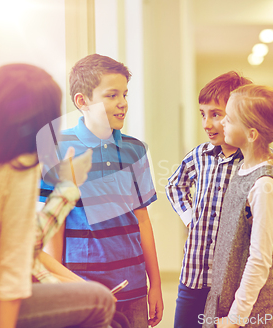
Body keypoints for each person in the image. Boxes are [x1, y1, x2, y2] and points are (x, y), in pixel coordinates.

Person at [165, 72, 273, 328]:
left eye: (218, 115)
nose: (207, 124)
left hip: (235, 284)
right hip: (195, 275)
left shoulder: (264, 165)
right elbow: (175, 184)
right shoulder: (201, 154)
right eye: (203, 114)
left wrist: (264, 230)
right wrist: (191, 220)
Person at [40, 54, 163, 328]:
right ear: (82, 101)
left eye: (124, 94)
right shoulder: (58, 148)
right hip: (82, 290)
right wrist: (61, 287)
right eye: (111, 95)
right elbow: (52, 226)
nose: (123, 104)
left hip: (132, 289)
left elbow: (142, 219)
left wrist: (154, 284)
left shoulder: (135, 150)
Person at [0, 63, 115, 328]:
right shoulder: (20, 165)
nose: (121, 104)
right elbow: (14, 263)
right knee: (100, 300)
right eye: (111, 95)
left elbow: (24, 242)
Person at [202, 84, 273, 327]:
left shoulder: (264, 184)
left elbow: (259, 259)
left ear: (251, 133)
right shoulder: (242, 168)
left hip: (251, 313)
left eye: (229, 118)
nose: (222, 123)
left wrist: (236, 318)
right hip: (226, 299)